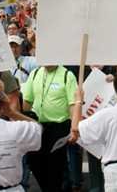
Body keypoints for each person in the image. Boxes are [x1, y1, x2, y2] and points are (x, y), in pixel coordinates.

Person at [21, 64, 77, 192]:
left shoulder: (67, 75)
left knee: (56, 168)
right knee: (35, 163)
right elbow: (27, 102)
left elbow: (73, 105)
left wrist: (74, 128)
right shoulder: (35, 73)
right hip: (38, 128)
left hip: (59, 128)